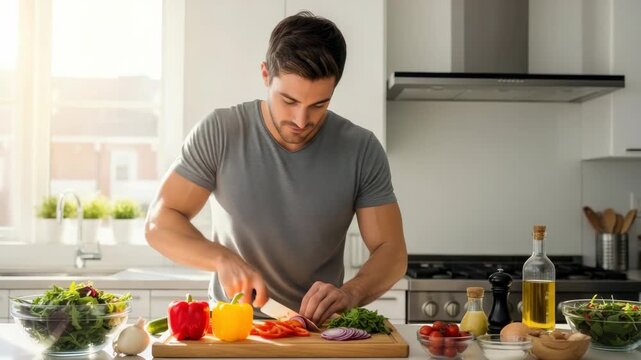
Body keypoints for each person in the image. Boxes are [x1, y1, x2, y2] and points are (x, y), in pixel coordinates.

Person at [145, 11, 407, 326]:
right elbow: (159, 222)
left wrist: (351, 293)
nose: (301, 121)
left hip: (316, 331)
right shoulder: (221, 131)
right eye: (289, 100)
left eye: (318, 105)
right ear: (266, 74)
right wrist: (221, 258)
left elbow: (391, 251)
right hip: (234, 327)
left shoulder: (361, 149)